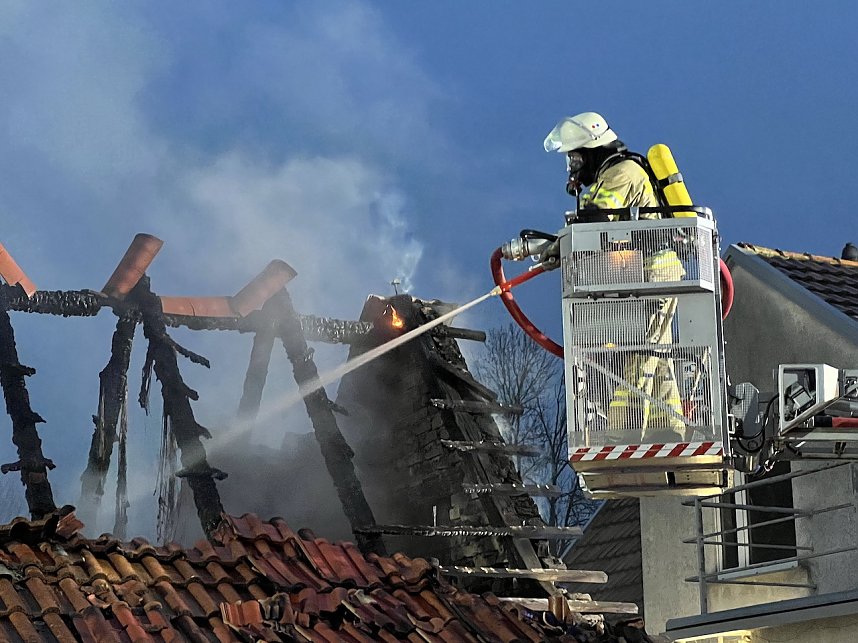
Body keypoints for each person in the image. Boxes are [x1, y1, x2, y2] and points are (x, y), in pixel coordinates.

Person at [544, 112, 686, 442]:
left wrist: (559, 244)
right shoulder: (616, 173)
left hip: (654, 277)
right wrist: (558, 245)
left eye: (575, 157)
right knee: (656, 358)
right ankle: (672, 430)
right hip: (647, 277)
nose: (574, 166)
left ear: (592, 149)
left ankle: (626, 435)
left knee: (638, 357)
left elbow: (595, 217)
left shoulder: (623, 172)